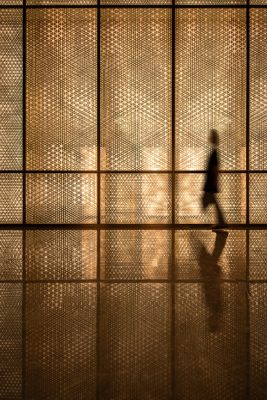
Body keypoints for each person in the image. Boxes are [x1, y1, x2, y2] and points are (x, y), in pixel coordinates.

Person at [202, 129, 226, 229]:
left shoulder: (214, 152)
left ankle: (219, 222)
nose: (209, 137)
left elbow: (215, 168)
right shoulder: (214, 151)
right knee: (214, 202)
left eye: (210, 135)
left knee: (206, 200)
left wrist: (214, 181)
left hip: (210, 181)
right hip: (211, 181)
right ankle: (221, 222)